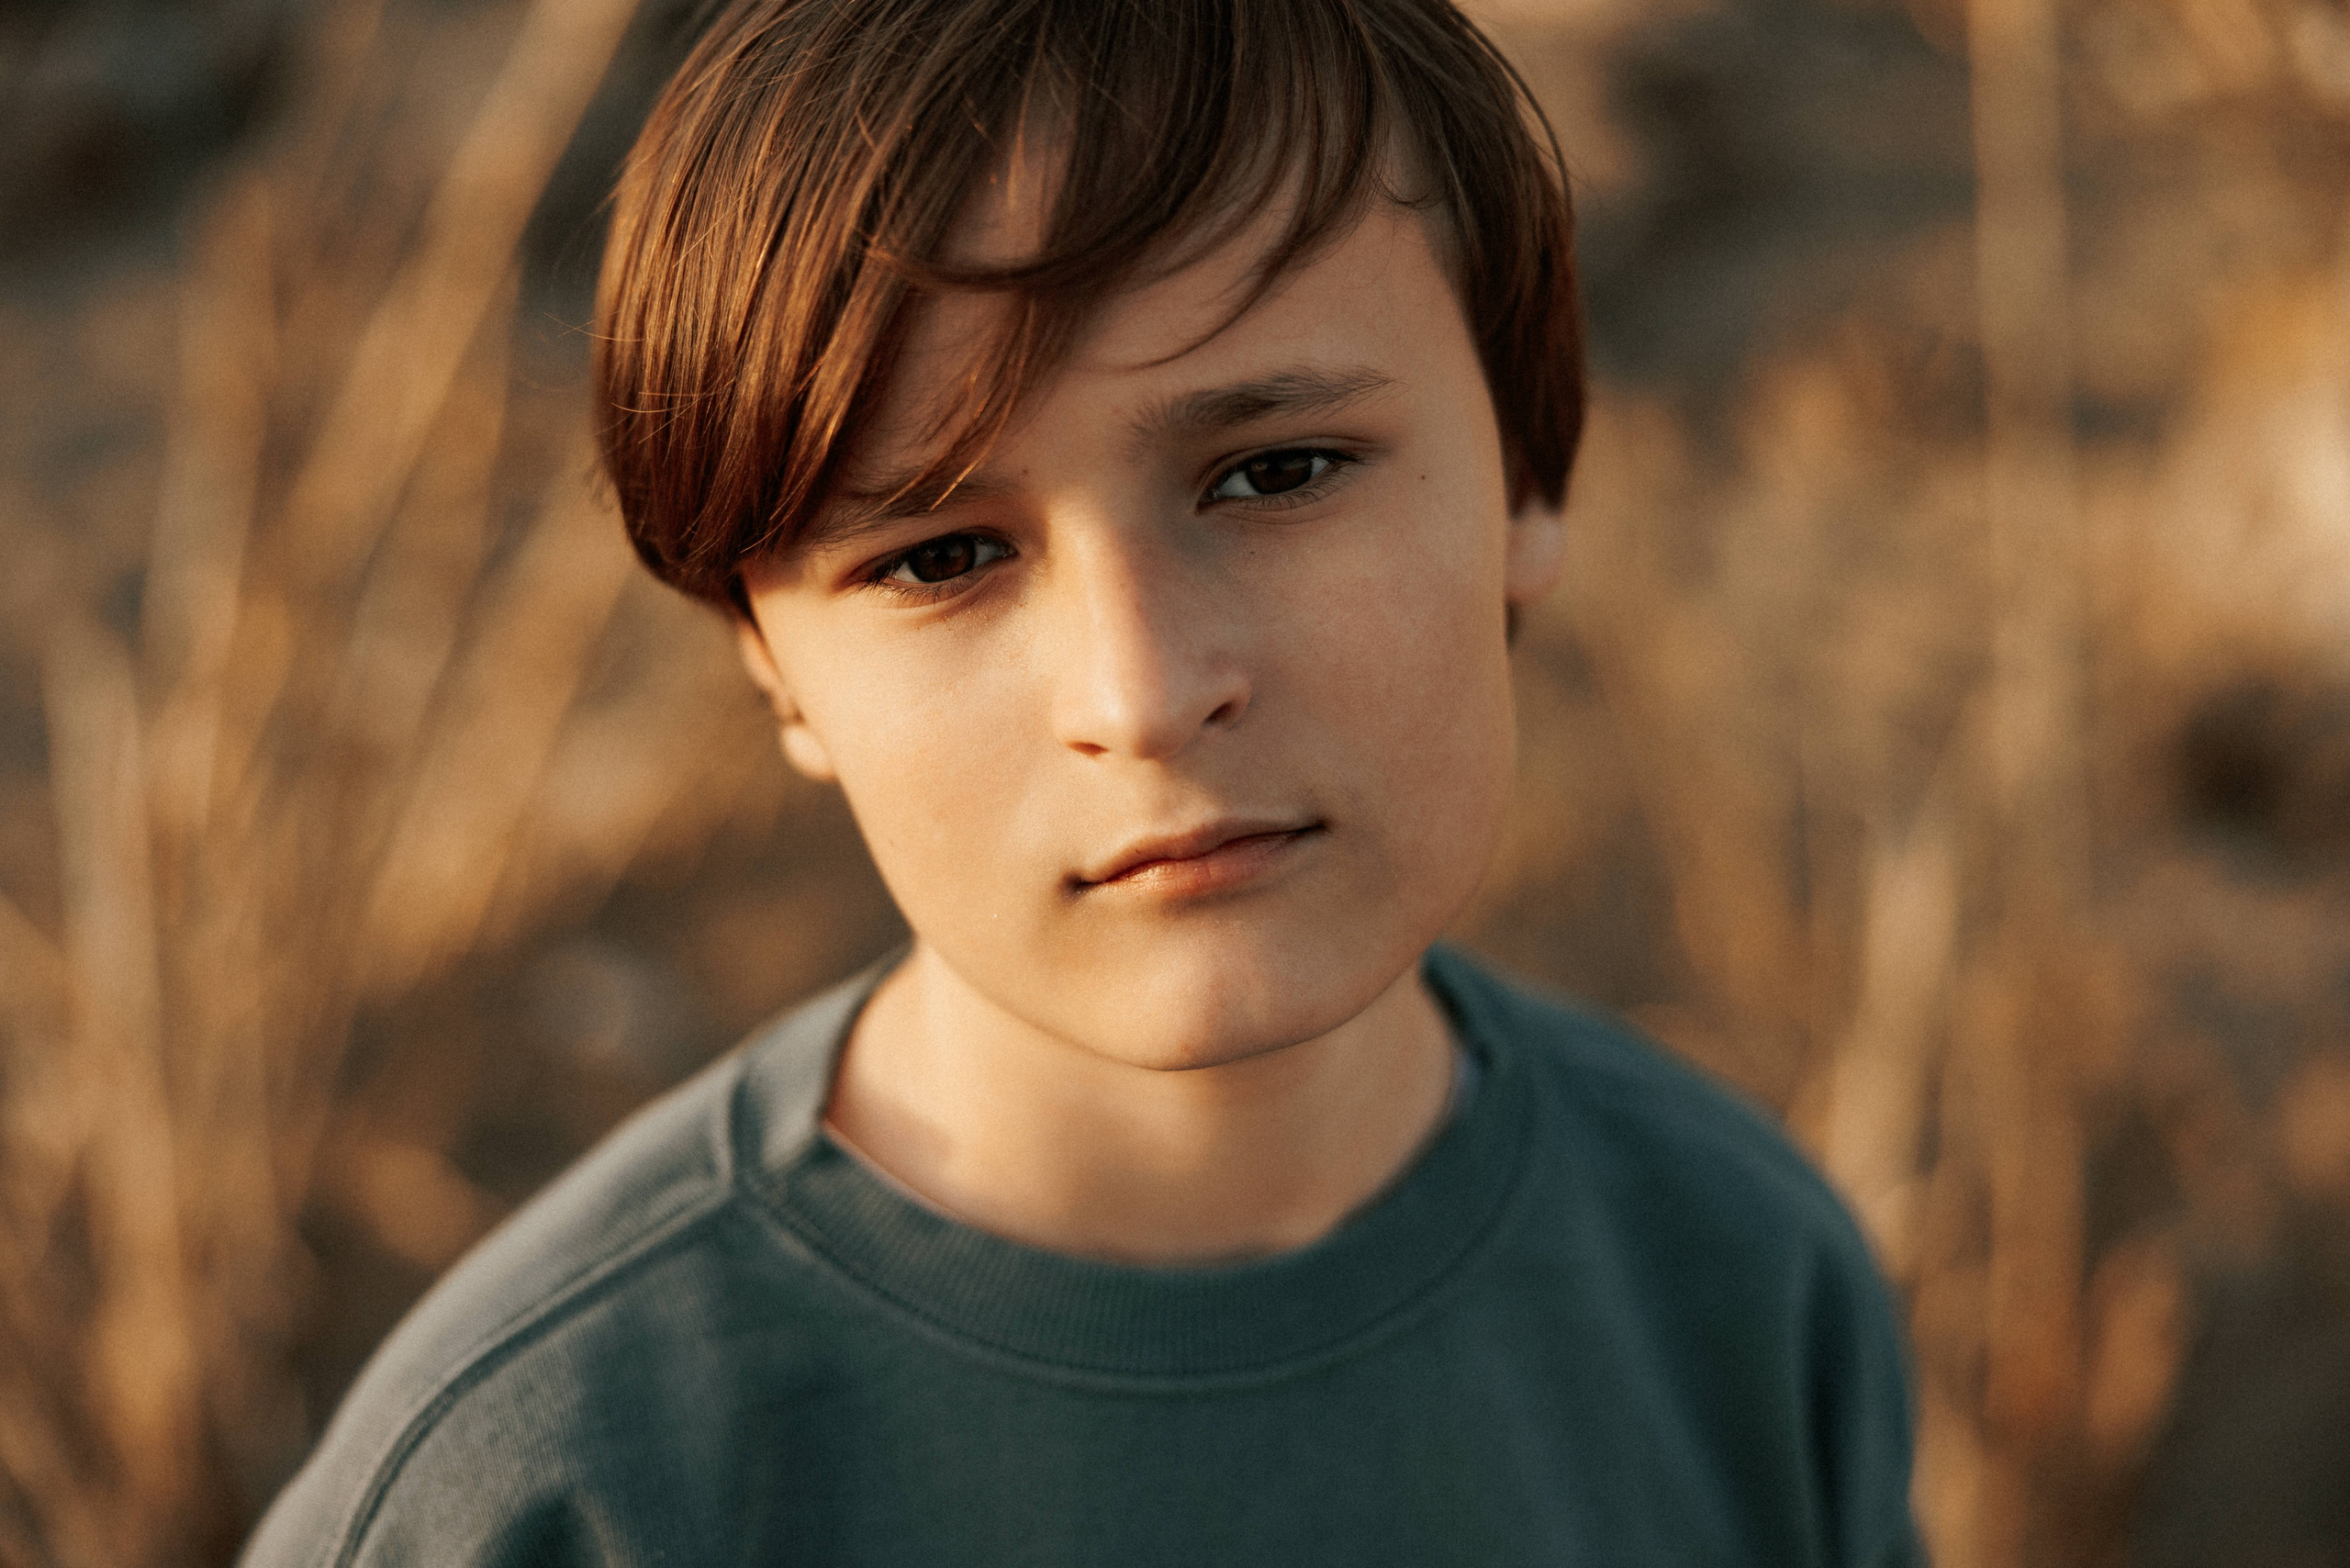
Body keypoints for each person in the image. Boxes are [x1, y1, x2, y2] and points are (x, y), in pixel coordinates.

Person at [241, 0, 1925, 1562]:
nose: (1142, 691)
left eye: (1277, 471)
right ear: (772, 664)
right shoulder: (549, 1491)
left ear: (1530, 475)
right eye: (941, 557)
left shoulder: (1737, 1281)